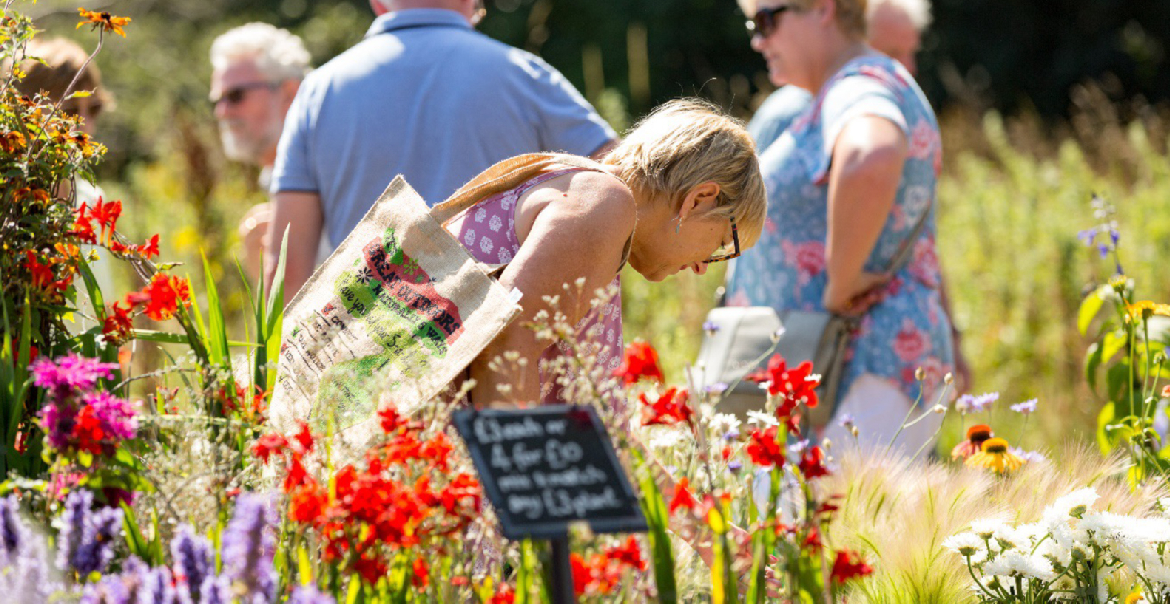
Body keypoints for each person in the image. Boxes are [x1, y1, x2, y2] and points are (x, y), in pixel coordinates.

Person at [266, 0, 617, 301]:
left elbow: (287, 265)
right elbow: (620, 182)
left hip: (367, 349)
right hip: (498, 345)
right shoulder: (523, 75)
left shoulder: (318, 93)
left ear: (377, 2)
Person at [726, 0, 955, 454]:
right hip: (845, 372)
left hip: (858, 366)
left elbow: (872, 156)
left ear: (823, 8)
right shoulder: (856, 84)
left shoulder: (858, 85)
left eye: (767, 19)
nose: (758, 39)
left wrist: (839, 285)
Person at [447, 99, 765, 407]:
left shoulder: (598, 207)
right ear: (699, 199)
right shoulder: (604, 206)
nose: (702, 268)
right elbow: (507, 345)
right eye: (723, 243)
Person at [12, 38, 116, 326]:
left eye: (93, 109)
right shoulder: (9, 204)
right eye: (70, 111)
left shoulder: (93, 198)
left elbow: (99, 312)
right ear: (26, 111)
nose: (86, 125)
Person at [748, 0, 930, 154]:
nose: (908, 67)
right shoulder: (787, 115)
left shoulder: (868, 96)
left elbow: (873, 153)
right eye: (891, 53)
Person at [208, 23, 312, 281]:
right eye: (217, 99)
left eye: (236, 95)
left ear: (289, 92)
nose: (222, 111)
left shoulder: (330, 173)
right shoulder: (275, 174)